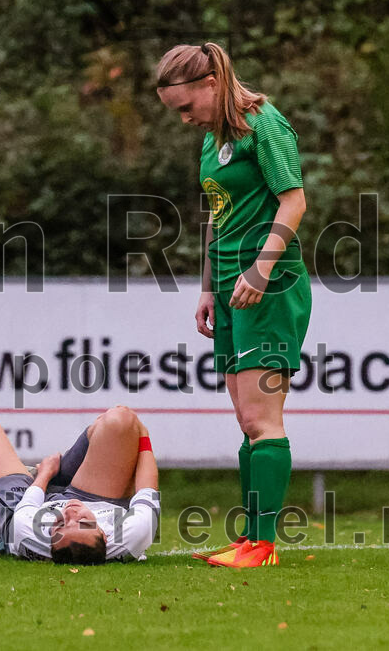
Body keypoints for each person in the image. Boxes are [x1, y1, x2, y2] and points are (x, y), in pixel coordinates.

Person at [156, 42, 312, 568]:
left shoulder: (262, 122)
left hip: (268, 285)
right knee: (247, 419)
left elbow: (294, 200)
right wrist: (208, 287)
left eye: (186, 107)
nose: (184, 119)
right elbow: (217, 218)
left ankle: (263, 546)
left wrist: (261, 269)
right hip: (228, 290)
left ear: (211, 85)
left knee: (262, 418)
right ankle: (249, 540)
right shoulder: (212, 139)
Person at [0, 407, 160, 563]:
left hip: (26, 504)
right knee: (121, 419)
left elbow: (30, 501)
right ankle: (96, 432)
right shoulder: (131, 534)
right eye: (83, 523)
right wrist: (143, 434)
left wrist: (45, 473)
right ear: (104, 535)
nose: (70, 515)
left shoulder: (28, 533)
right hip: (97, 499)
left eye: (61, 525)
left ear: (49, 540)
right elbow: (147, 488)